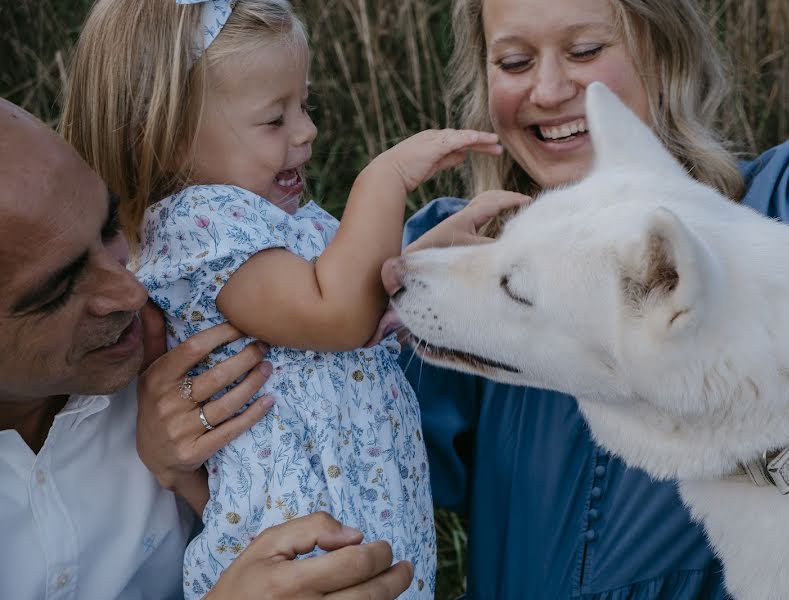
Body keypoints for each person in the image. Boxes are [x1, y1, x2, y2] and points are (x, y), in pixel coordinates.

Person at [395, 0, 789, 598]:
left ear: (664, 53)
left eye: (585, 51)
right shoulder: (446, 258)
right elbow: (332, 461)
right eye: (513, 60)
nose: (551, 88)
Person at [58, 0, 520, 598]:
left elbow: (348, 312)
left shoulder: (276, 223)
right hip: (294, 558)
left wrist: (431, 252)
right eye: (275, 119)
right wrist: (384, 178)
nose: (307, 131)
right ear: (169, 141)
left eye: (304, 105)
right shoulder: (201, 227)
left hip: (346, 526)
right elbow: (336, 316)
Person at [0, 99, 414, 599]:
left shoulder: (184, 331)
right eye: (59, 289)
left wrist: (181, 477)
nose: (130, 291)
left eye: (110, 229)